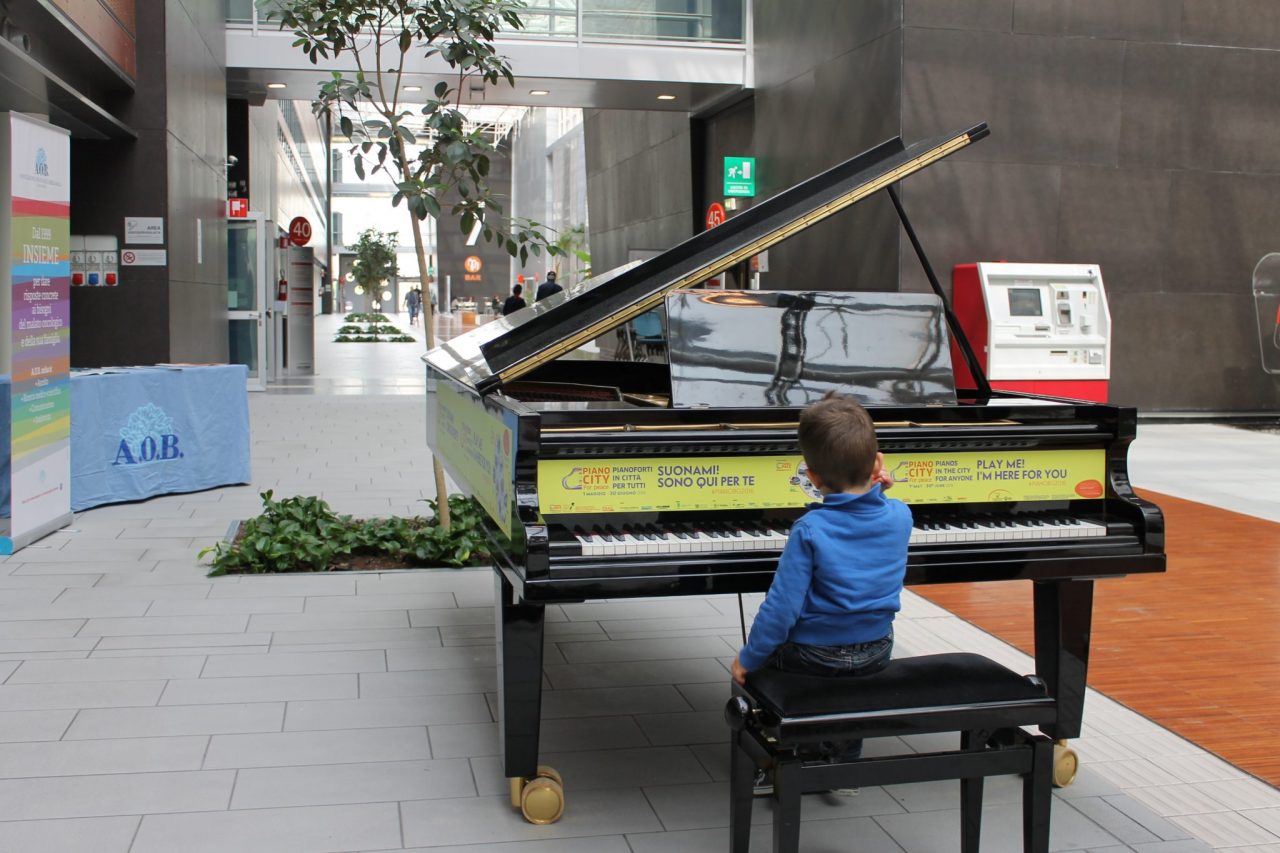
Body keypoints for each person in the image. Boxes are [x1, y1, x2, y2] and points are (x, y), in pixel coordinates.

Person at [731, 391, 912, 787]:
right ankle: (842, 759)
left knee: (765, 662)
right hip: (876, 650)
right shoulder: (902, 514)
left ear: (811, 478)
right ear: (878, 463)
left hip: (813, 655)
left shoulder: (810, 530)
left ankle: (783, 758)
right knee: (854, 675)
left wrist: (748, 658)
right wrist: (882, 486)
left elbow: (780, 611)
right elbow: (882, 506)